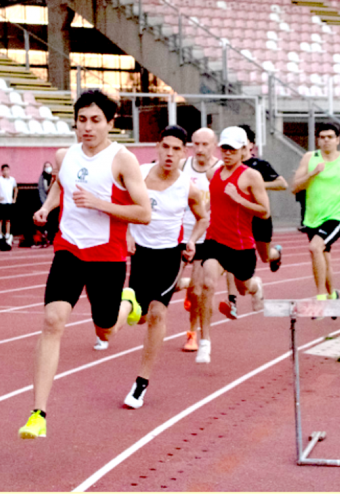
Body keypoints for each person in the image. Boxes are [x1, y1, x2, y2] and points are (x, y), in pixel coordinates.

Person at [18, 89, 151, 439]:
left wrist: (99, 203)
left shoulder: (123, 160)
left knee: (105, 329)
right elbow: (60, 188)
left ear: (110, 123)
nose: (87, 128)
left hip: (107, 255)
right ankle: (38, 413)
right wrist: (47, 208)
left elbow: (144, 213)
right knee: (52, 320)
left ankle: (128, 302)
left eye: (95, 121)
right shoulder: (65, 155)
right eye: (81, 120)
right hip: (70, 249)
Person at [105, 126, 209, 409]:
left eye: (177, 149)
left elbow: (202, 218)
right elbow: (121, 206)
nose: (170, 153)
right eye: (166, 147)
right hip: (140, 255)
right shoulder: (138, 173)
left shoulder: (188, 187)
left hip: (169, 256)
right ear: (157, 148)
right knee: (136, 317)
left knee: (156, 314)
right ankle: (170, 291)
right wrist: (126, 234)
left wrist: (191, 241)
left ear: (183, 153)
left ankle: (141, 383)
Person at [195, 126, 269, 364]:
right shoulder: (213, 173)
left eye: (232, 149)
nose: (227, 153)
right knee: (207, 284)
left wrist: (238, 198)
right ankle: (204, 342)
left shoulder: (251, 176)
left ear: (243, 150)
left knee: (244, 288)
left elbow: (265, 212)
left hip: (241, 246)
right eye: (224, 148)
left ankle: (256, 286)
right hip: (215, 241)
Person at [291, 123, 340, 304]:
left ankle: (321, 297)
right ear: (318, 140)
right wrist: (313, 174)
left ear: (337, 140)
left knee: (315, 247)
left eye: (330, 137)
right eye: (322, 137)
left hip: (336, 216)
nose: (326, 141)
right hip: (312, 218)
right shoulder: (310, 158)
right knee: (323, 257)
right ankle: (333, 296)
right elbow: (295, 187)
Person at [220, 125, 288, 320]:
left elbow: (282, 183)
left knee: (265, 257)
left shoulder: (259, 165)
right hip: (237, 221)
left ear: (250, 145)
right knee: (230, 259)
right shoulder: (226, 166)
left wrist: (256, 184)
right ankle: (232, 300)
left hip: (258, 218)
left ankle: (276, 254)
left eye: (242, 142)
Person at [177, 127, 219, 352]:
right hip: (179, 233)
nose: (200, 149)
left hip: (206, 236)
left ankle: (192, 333)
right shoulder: (182, 165)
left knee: (199, 289)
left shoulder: (220, 169)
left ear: (214, 145)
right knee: (169, 285)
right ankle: (183, 284)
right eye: (196, 144)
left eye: (205, 144)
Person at [0, 164, 18, 244]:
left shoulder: (12, 179)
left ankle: (7, 234)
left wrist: (14, 199)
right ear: (2, 171)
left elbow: (15, 189)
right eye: (4, 170)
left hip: (9, 202)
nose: (6, 171)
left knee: (8, 219)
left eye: (7, 170)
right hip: (1, 202)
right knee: (0, 219)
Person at [37, 161, 57, 245]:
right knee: (48, 220)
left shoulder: (55, 176)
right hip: (46, 201)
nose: (48, 168)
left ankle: (53, 237)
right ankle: (48, 236)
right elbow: (45, 190)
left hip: (55, 202)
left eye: (49, 166)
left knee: (55, 220)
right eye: (46, 167)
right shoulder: (42, 178)